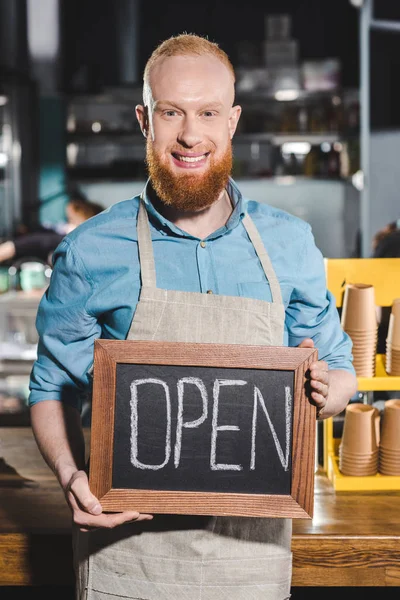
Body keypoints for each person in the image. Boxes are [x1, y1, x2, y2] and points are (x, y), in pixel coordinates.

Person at [28, 33, 357, 600]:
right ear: (144, 119)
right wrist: (70, 476)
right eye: (171, 112)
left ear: (231, 121)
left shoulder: (290, 244)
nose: (189, 134)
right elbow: (51, 387)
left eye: (207, 112)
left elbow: (339, 371)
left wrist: (326, 391)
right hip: (127, 564)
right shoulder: (91, 249)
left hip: (250, 567)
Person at [0, 197, 104, 266]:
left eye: (70, 219)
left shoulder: (68, 239)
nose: (66, 224)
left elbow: (36, 241)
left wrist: (10, 247)